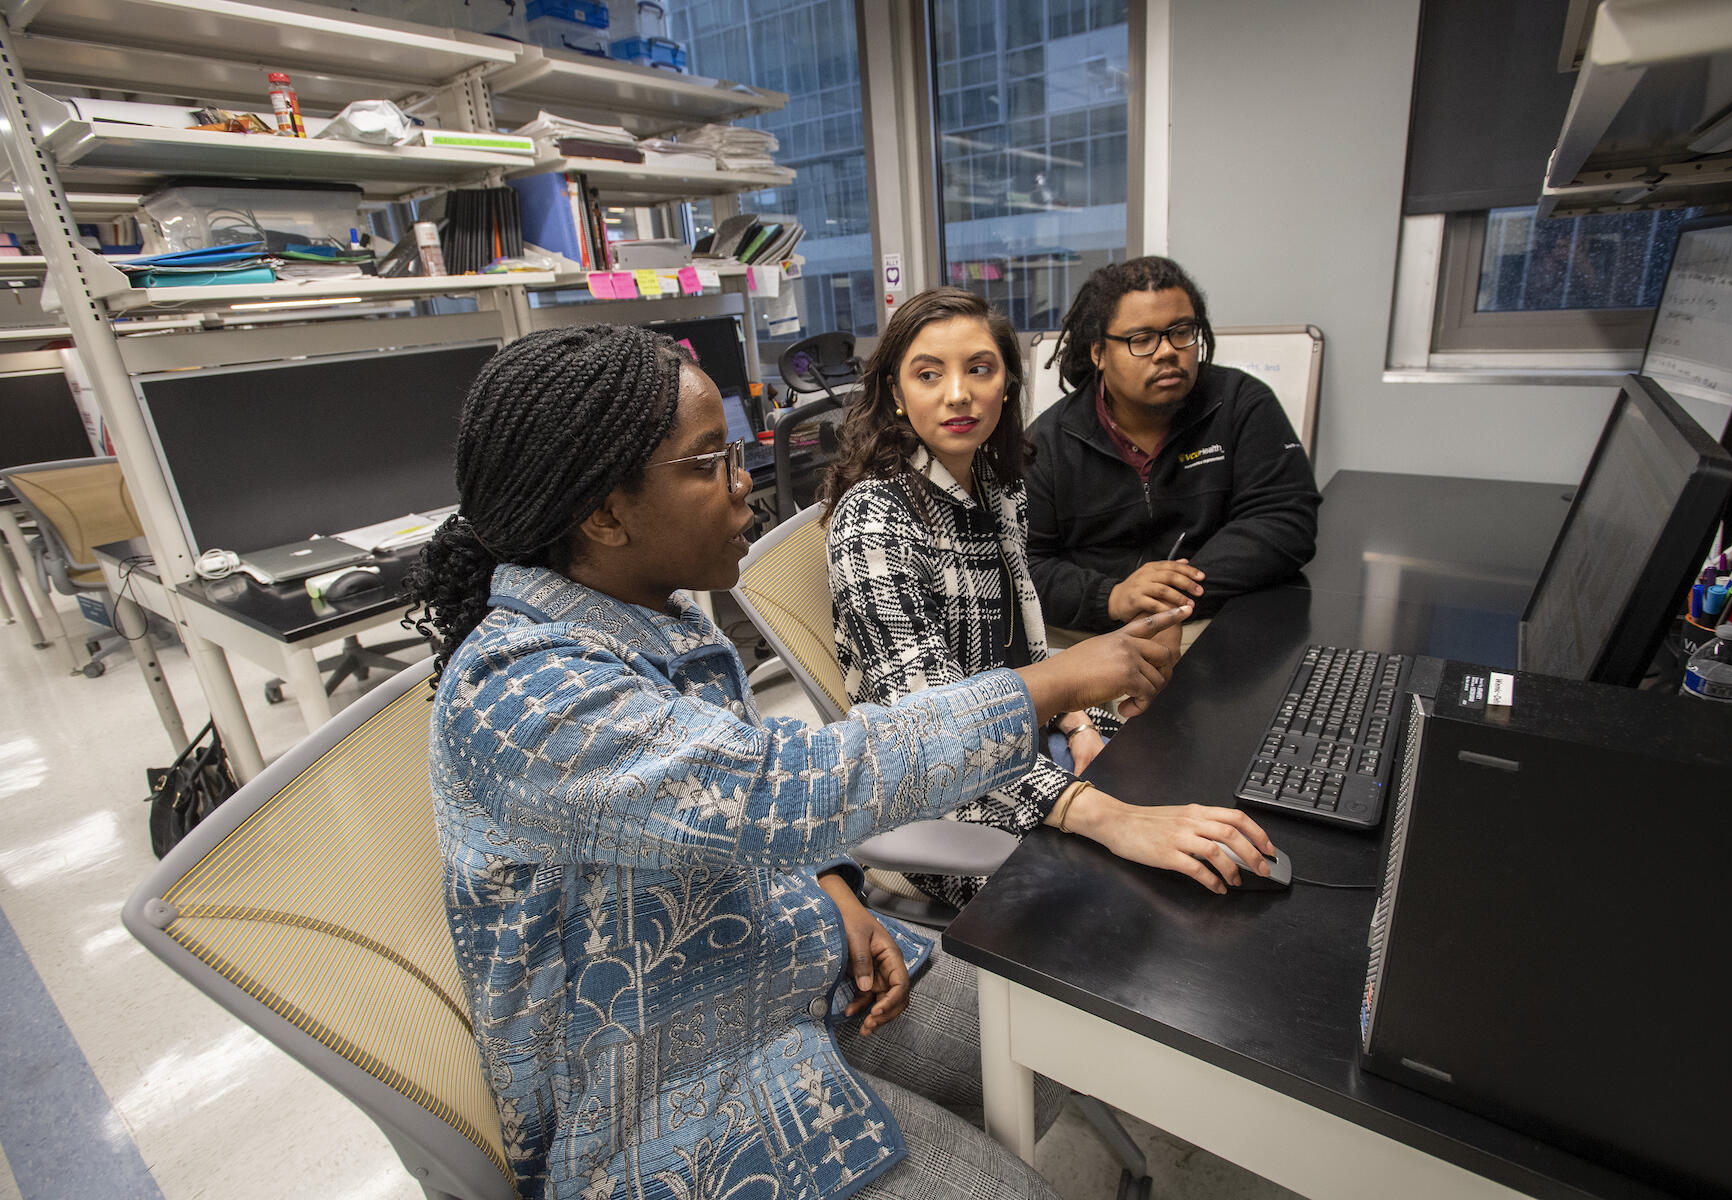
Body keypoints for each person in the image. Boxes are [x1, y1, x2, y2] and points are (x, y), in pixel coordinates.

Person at [404, 324, 1254, 1200]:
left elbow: (721, 798)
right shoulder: (525, 691)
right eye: (709, 464)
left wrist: (832, 885)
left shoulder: (655, 621)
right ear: (603, 513)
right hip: (668, 1091)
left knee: (1070, 1028)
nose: (747, 490)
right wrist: (1044, 689)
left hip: (780, 969)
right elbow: (775, 785)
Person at [823, 287, 1276, 910]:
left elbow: (1025, 649)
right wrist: (1099, 813)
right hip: (948, 797)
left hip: (1033, 748)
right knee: (1159, 898)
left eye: (979, 369)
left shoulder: (995, 483)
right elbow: (934, 737)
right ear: (897, 396)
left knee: (1204, 783)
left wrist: (1076, 719)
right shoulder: (875, 524)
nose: (959, 393)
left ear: (1006, 383)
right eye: (929, 374)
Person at [1027, 255, 1321, 637]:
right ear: (1099, 352)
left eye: (1181, 331)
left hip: (1211, 618)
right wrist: (1113, 596)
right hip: (1092, 629)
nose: (1167, 351)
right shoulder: (1048, 443)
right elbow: (1025, 564)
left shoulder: (1240, 404)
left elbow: (1284, 519)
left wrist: (1172, 598)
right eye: (1142, 339)